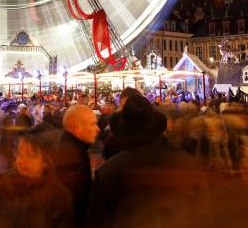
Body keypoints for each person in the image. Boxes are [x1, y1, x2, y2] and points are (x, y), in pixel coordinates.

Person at [87, 95, 210, 228]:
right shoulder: (186, 162)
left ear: (123, 133)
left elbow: (97, 221)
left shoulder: (108, 172)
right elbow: (203, 212)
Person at [0, 130, 72, 227]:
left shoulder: (59, 196)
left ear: (46, 161)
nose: (21, 161)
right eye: (20, 153)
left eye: (30, 155)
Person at [56, 105, 99, 228]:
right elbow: (77, 201)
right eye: (92, 124)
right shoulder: (73, 154)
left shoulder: (74, 147)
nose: (97, 129)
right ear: (77, 128)